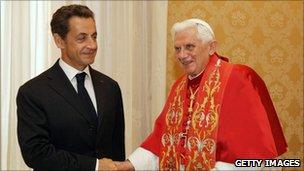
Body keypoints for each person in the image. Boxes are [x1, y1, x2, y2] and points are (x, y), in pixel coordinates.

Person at [115, 18, 287, 170]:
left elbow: (250, 149)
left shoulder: (237, 78)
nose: (182, 55)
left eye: (189, 46)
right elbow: (159, 141)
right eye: (177, 49)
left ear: (211, 47)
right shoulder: (179, 86)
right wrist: (129, 165)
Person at [16, 4, 125, 171]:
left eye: (94, 36)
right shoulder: (33, 92)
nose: (92, 45)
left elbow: (117, 150)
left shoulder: (110, 87)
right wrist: (94, 166)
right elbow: (36, 154)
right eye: (82, 38)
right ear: (59, 41)